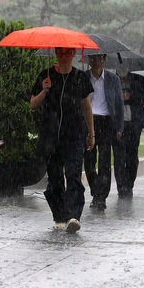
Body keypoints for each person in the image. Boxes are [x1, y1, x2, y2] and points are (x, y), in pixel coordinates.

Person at [30, 47, 95, 234]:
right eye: (60, 52)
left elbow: (87, 107)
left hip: (74, 135)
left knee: (74, 174)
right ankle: (59, 215)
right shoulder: (46, 75)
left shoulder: (80, 77)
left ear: (73, 54)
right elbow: (33, 104)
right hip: (51, 136)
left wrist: (91, 134)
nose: (63, 56)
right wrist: (44, 90)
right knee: (55, 178)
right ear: (56, 54)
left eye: (67, 53)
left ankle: (74, 216)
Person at [84, 54, 125, 210]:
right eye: (92, 59)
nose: (96, 62)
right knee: (88, 160)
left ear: (104, 60)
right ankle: (96, 190)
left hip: (106, 122)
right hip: (88, 121)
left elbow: (119, 103)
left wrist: (119, 127)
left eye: (99, 59)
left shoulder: (113, 79)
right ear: (89, 60)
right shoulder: (83, 77)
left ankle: (101, 197)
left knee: (105, 161)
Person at [115, 68, 144, 199]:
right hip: (118, 125)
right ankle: (121, 186)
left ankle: (129, 184)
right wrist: (121, 98)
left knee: (132, 156)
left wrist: (131, 96)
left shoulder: (139, 80)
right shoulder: (112, 80)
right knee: (119, 157)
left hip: (134, 125)